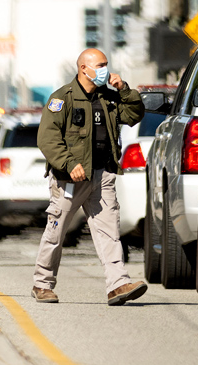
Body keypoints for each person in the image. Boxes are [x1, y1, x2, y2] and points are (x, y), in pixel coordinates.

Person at [32, 48, 148, 306]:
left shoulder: (109, 97)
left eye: (106, 64)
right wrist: (68, 163)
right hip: (70, 179)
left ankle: (118, 284)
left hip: (102, 175)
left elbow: (134, 115)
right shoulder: (62, 98)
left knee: (109, 232)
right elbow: (47, 139)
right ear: (83, 68)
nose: (105, 69)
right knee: (57, 231)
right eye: (100, 65)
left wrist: (125, 90)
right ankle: (42, 283)